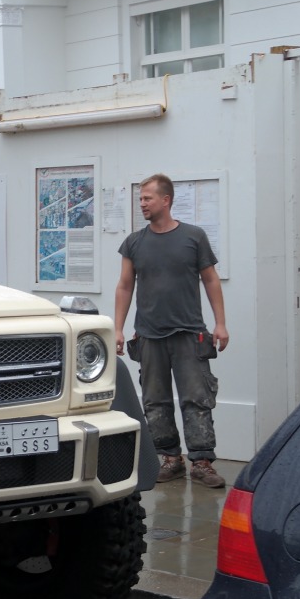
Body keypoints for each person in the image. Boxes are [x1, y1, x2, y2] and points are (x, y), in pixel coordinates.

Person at [114, 174, 229, 488]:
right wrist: (118, 329)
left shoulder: (194, 237)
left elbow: (211, 280)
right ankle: (170, 460)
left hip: (189, 334)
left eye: (148, 198)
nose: (143, 204)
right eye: (140, 199)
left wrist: (220, 323)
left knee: (197, 399)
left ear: (166, 200)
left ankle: (202, 463)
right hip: (149, 336)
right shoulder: (134, 243)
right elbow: (125, 286)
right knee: (155, 400)